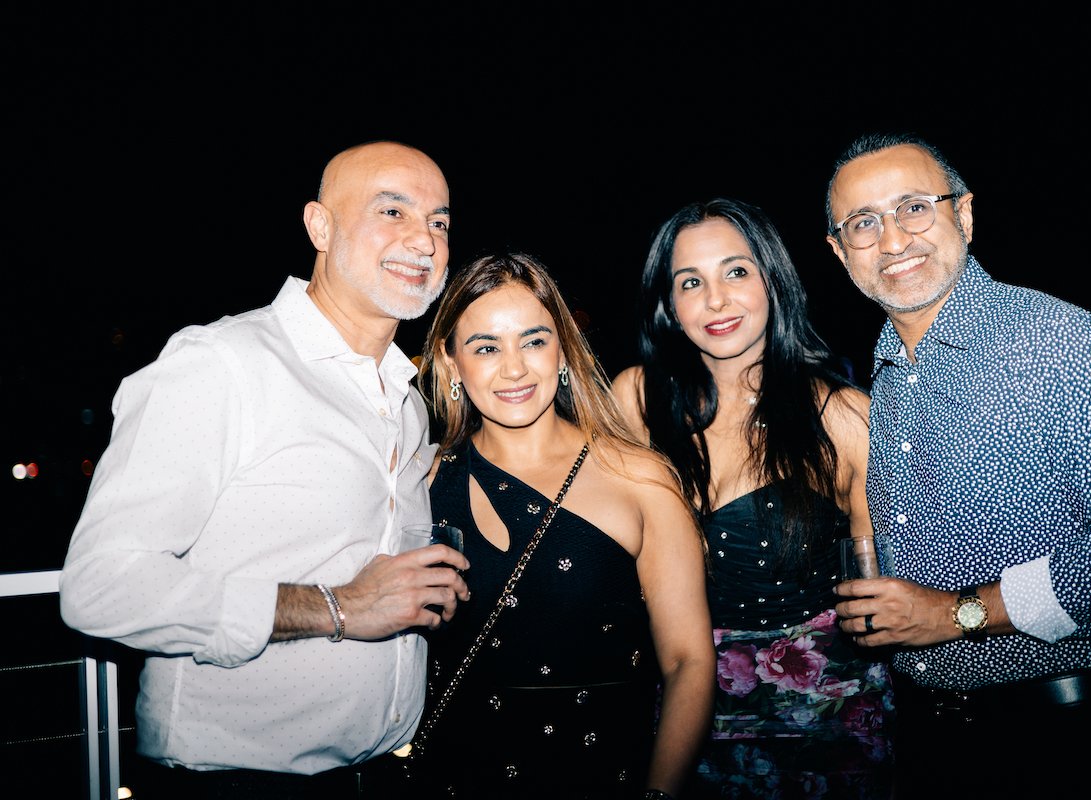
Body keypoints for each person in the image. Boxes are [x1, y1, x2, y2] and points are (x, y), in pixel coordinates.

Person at [58, 140, 470, 800]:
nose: (424, 239)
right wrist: (338, 607)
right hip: (234, 783)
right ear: (320, 226)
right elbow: (100, 588)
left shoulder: (406, 404)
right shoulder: (223, 364)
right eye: (392, 211)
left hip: (386, 776)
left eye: (440, 221)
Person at [825, 132, 1091, 799]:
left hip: (1071, 740)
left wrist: (956, 614)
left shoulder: (1060, 341)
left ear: (963, 214)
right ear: (838, 251)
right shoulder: (884, 380)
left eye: (914, 207)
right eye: (863, 222)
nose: (892, 240)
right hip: (935, 742)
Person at [612, 198, 896, 799]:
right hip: (680, 717)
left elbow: (875, 586)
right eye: (691, 282)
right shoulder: (636, 402)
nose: (716, 300)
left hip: (829, 720)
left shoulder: (843, 416)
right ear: (669, 303)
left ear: (773, 280)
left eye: (736, 272)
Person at [411, 251, 715, 800]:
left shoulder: (638, 478)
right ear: (451, 363)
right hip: (456, 776)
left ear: (563, 352)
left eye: (534, 341)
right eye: (485, 348)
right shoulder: (420, 482)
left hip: (603, 773)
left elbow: (688, 662)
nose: (514, 368)